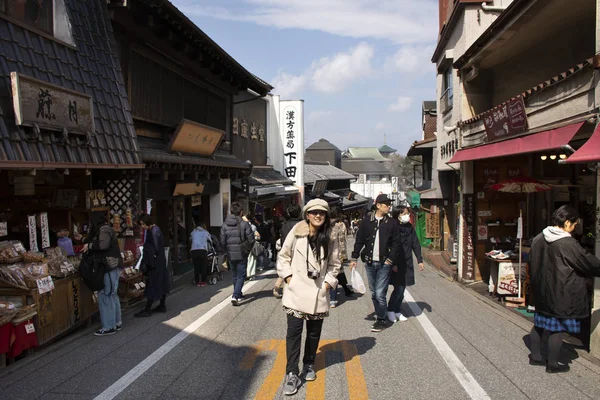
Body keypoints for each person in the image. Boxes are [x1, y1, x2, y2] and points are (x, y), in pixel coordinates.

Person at [277, 199, 340, 396]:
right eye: (314, 213)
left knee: (313, 333)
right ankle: (291, 373)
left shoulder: (330, 236)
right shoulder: (296, 232)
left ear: (326, 215)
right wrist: (288, 277)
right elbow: (283, 256)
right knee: (294, 333)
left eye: (322, 212)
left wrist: (329, 283)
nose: (318, 215)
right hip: (296, 292)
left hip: (318, 291)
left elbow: (335, 263)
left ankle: (309, 364)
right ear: (307, 215)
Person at [528, 205, 600, 373]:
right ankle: (553, 364)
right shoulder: (567, 243)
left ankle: (536, 357)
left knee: (539, 324)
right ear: (567, 222)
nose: (575, 228)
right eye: (575, 224)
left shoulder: (539, 237)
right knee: (557, 328)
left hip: (541, 291)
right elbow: (587, 262)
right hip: (560, 292)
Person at [350, 194, 400, 332]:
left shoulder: (392, 223)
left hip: (385, 263)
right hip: (370, 262)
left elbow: (397, 243)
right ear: (378, 205)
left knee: (379, 293)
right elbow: (359, 240)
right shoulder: (367, 221)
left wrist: (391, 259)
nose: (388, 206)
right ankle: (380, 315)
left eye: (389, 204)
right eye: (386, 204)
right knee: (373, 293)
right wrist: (354, 258)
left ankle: (382, 319)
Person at [83, 212, 122, 336]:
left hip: (107, 266)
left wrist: (89, 246)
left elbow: (103, 245)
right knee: (112, 295)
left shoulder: (104, 229)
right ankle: (116, 322)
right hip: (113, 266)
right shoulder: (106, 228)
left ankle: (109, 326)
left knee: (105, 295)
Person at [387, 205, 424, 322]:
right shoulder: (393, 227)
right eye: (403, 214)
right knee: (398, 288)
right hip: (396, 262)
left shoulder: (409, 227)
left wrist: (420, 260)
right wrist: (393, 263)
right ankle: (390, 310)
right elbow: (389, 246)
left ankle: (397, 310)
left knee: (402, 288)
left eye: (407, 213)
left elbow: (415, 244)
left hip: (407, 262)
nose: (406, 216)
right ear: (397, 215)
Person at [136, 214, 170, 317]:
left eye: (143, 224)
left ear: (147, 222)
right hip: (160, 261)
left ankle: (147, 309)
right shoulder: (156, 229)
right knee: (161, 282)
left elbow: (154, 248)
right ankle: (162, 305)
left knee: (152, 284)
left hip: (154, 263)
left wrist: (146, 251)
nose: (142, 226)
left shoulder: (154, 231)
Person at [221, 202, 255, 306]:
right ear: (241, 212)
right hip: (241, 253)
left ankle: (239, 293)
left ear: (231, 211)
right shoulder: (244, 224)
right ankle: (235, 295)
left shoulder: (224, 225)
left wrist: (226, 251)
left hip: (230, 254)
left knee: (235, 275)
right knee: (241, 275)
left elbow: (222, 241)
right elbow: (251, 240)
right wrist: (247, 250)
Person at [273, 204, 303, 298]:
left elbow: (283, 242)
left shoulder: (284, 226)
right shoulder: (304, 224)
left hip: (287, 253)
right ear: (300, 212)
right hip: (301, 254)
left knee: (287, 272)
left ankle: (285, 291)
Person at [329, 206, 354, 308]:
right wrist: (344, 255)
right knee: (337, 272)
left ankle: (333, 298)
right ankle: (339, 294)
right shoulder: (341, 224)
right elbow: (344, 239)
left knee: (333, 273)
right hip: (340, 253)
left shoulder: (327, 225)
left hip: (329, 253)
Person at [190, 220, 211, 287]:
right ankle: (203, 281)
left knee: (196, 266)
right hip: (202, 250)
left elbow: (190, 238)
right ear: (203, 226)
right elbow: (210, 240)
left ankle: (197, 281)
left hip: (194, 251)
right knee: (203, 266)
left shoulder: (193, 232)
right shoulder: (205, 232)